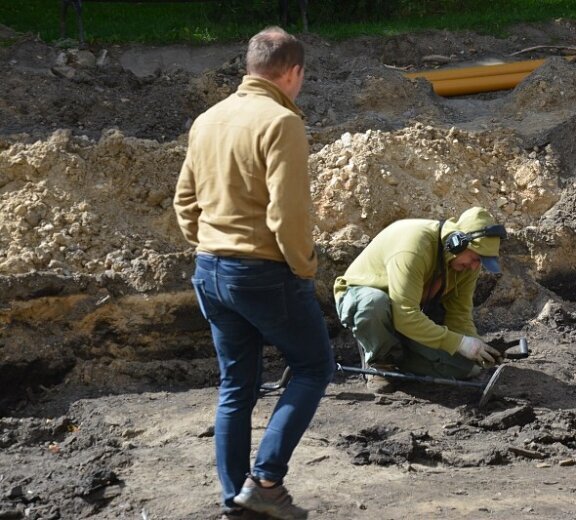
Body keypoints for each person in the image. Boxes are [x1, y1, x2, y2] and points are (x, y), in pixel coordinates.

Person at [174, 26, 333, 520]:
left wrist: (208, 244)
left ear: (250, 66)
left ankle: (234, 501)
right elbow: (288, 215)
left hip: (210, 270)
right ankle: (265, 480)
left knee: (236, 385)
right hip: (263, 272)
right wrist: (304, 268)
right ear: (293, 72)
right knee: (313, 367)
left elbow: (184, 201)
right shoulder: (281, 122)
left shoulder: (207, 119)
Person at [333, 207, 505, 393]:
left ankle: (398, 353)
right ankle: (379, 362)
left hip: (408, 314)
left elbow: (459, 313)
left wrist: (476, 348)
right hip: (366, 302)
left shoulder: (466, 264)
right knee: (373, 304)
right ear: (457, 243)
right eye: (475, 259)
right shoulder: (414, 247)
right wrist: (459, 343)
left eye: (480, 262)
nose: (474, 267)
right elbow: (405, 315)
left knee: (465, 369)